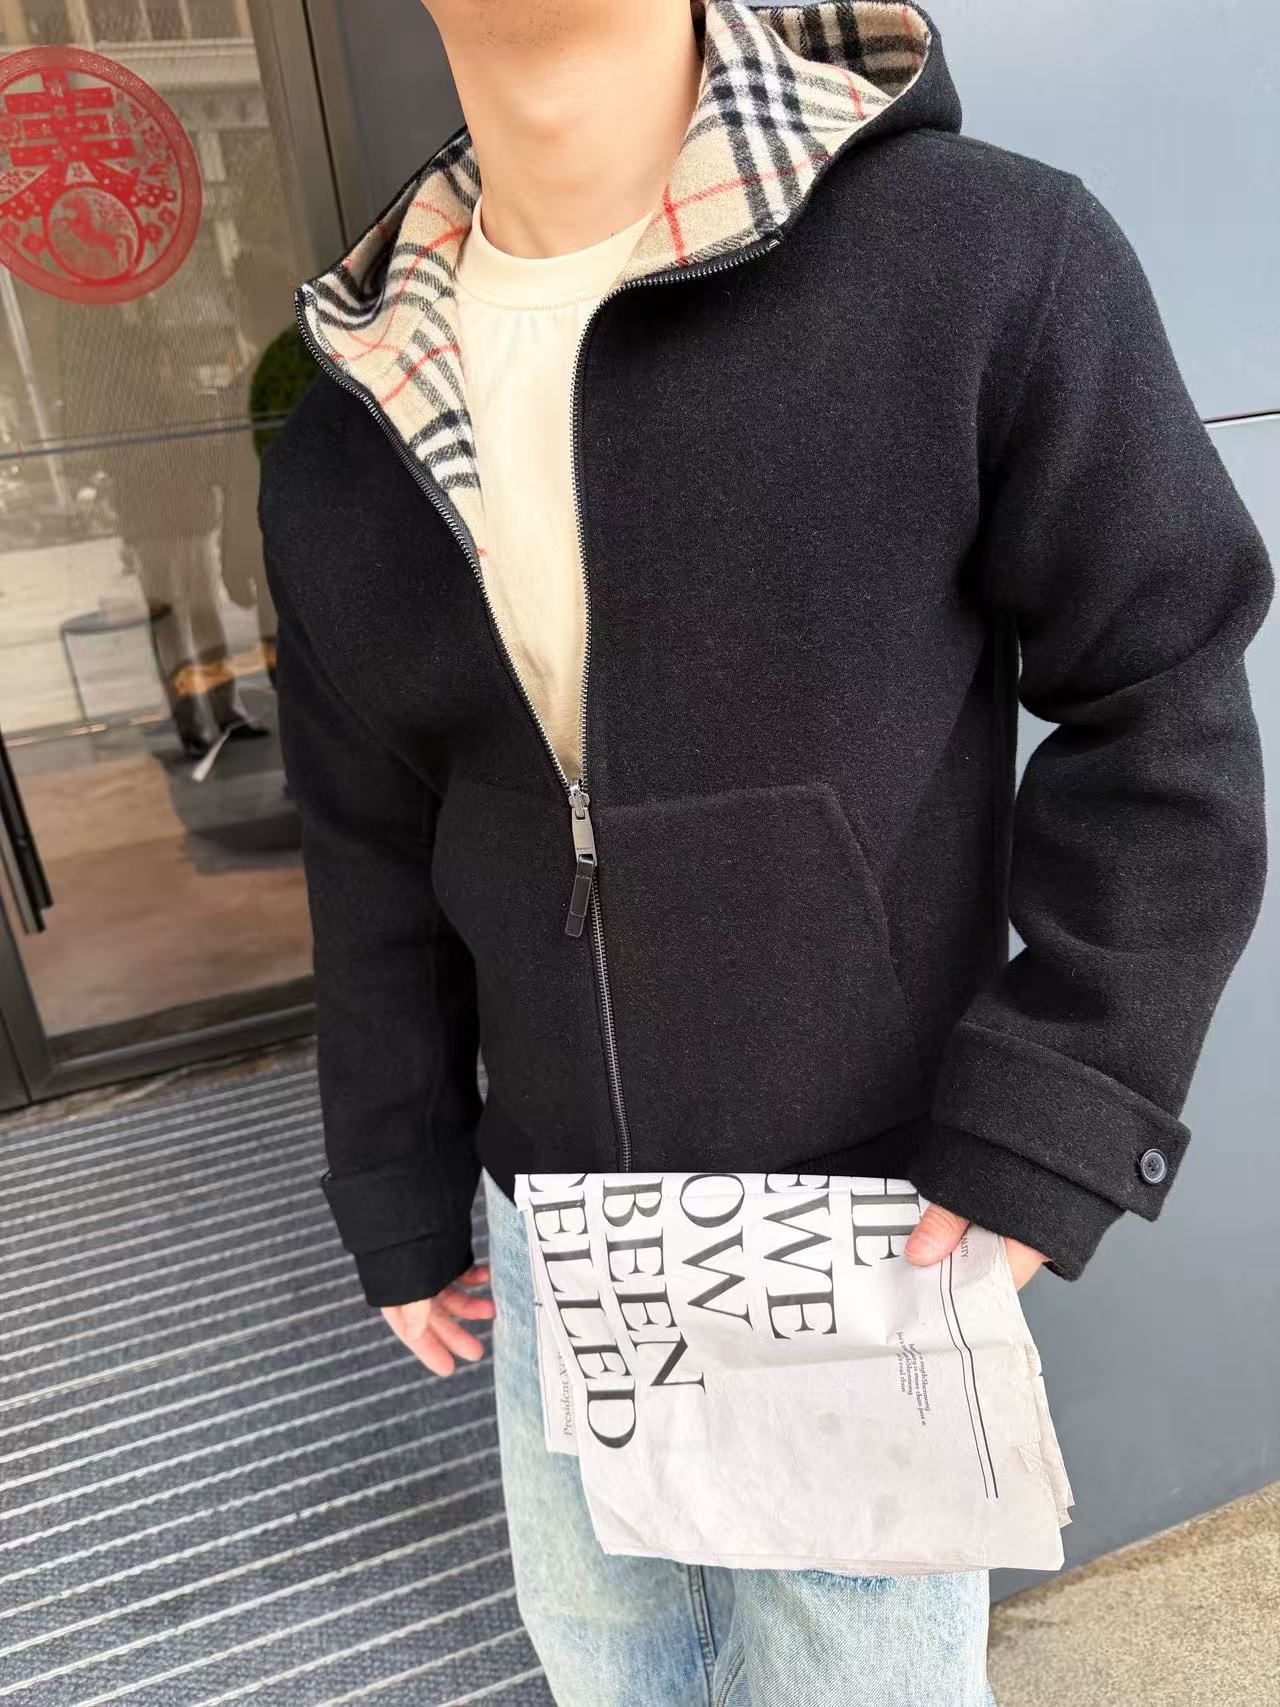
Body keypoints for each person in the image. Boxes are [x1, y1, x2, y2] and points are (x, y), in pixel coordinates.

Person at [257, 3, 1273, 1701]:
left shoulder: (982, 261)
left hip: (864, 1229)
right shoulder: (352, 422)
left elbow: (1163, 693)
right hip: (552, 1240)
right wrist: (396, 1173)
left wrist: (1066, 1106)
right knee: (615, 1673)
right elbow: (372, 846)